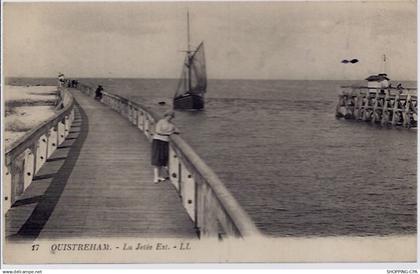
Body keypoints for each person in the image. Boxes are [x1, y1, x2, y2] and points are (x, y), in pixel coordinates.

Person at [151, 110, 179, 183]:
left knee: (162, 159)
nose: (170, 118)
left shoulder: (171, 124)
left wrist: (173, 131)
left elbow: (178, 131)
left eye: (172, 116)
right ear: (166, 115)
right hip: (157, 140)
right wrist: (170, 132)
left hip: (165, 141)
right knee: (156, 159)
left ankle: (159, 176)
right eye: (169, 116)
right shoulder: (161, 121)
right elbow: (158, 131)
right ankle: (156, 177)